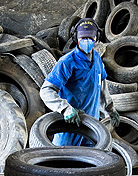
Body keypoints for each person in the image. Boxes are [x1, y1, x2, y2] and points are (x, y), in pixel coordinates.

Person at [40, 18, 120, 146]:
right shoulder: (67, 62)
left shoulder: (97, 59)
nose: (86, 41)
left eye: (90, 38)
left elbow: (102, 87)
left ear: (96, 38)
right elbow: (46, 90)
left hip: (90, 127)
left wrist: (110, 109)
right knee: (60, 162)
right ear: (76, 38)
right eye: (83, 38)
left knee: (91, 163)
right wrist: (65, 109)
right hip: (69, 127)